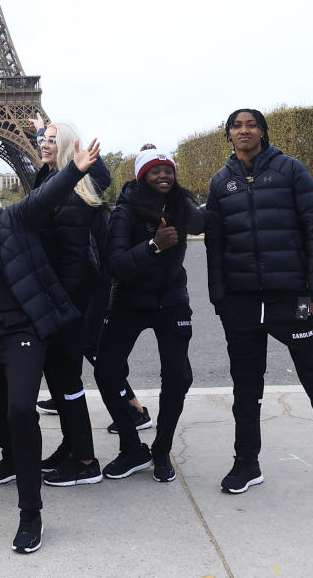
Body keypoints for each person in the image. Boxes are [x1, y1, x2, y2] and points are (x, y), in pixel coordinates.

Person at [205, 108, 313, 505]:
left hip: (290, 299)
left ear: (262, 131)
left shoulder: (291, 170)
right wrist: (220, 301)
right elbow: (215, 247)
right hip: (242, 302)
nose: (244, 130)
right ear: (229, 134)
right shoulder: (220, 181)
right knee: (245, 389)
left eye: (251, 124)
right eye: (237, 126)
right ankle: (247, 463)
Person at [0, 139, 100, 554]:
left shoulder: (12, 222)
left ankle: (30, 511)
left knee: (21, 409)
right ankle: (17, 456)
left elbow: (42, 198)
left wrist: (73, 169)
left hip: (21, 331)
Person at [94, 146, 203, 484]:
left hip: (171, 300)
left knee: (178, 375)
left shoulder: (181, 205)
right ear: (142, 177)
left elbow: (211, 219)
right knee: (106, 371)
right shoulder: (125, 213)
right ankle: (131, 447)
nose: (163, 175)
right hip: (130, 300)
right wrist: (152, 246)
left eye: (168, 169)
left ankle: (161, 449)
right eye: (155, 170)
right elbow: (114, 266)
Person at [28, 119, 109, 487]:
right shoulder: (51, 181)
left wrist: (58, 306)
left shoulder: (72, 192)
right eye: (41, 139)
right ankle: (72, 444)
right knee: (59, 379)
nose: (43, 144)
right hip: (60, 298)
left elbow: (74, 262)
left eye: (50, 141)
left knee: (67, 379)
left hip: (69, 302)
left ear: (65, 147)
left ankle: (86, 460)